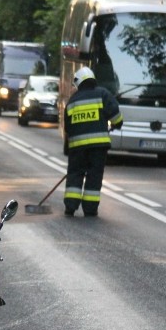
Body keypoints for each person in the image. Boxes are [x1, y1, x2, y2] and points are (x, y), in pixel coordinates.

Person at [63, 67, 123, 217]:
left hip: (77, 148)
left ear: (78, 83)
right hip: (98, 147)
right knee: (94, 175)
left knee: (75, 174)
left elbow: (68, 128)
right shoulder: (102, 94)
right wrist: (116, 124)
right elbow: (116, 116)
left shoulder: (72, 101)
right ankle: (90, 209)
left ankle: (70, 206)